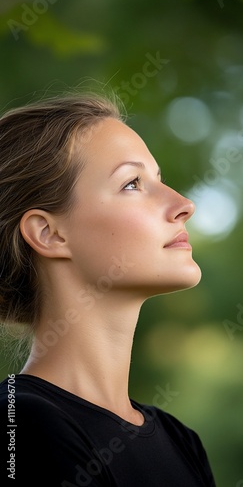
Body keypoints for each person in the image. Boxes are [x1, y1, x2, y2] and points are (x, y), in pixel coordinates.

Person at [0, 93, 216, 486]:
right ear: (49, 234)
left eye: (159, 179)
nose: (184, 204)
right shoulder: (23, 427)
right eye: (132, 183)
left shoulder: (180, 440)